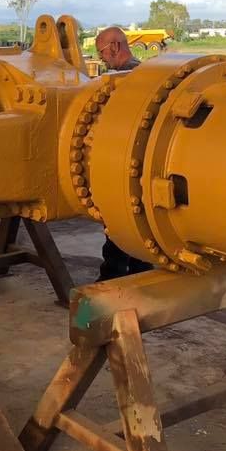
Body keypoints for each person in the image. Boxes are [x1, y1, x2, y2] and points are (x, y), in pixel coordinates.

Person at [94, 26, 153, 280]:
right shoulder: (145, 74)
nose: (101, 59)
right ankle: (140, 275)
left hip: (124, 162)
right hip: (138, 164)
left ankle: (111, 279)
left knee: (119, 228)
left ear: (115, 47)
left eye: (101, 52)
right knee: (138, 226)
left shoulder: (124, 80)